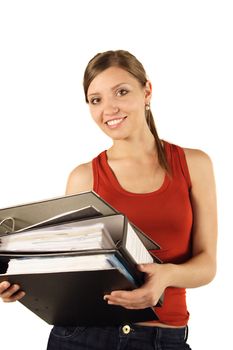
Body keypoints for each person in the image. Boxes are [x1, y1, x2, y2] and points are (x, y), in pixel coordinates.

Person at [0, 50, 217, 349]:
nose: (109, 109)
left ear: (147, 91)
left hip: (162, 338)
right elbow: (70, 270)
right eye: (96, 100)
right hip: (83, 336)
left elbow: (207, 264)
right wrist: (24, 284)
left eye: (122, 92)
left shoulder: (194, 164)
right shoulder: (84, 177)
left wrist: (167, 275)